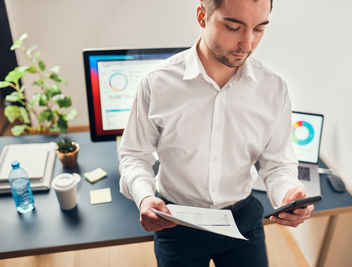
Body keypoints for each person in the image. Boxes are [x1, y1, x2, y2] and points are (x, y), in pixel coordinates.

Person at [118, 0, 314, 266]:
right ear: (202, 16)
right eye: (233, 27)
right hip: (177, 223)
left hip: (243, 219)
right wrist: (144, 197)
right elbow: (133, 155)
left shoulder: (274, 90)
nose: (247, 44)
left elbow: (278, 165)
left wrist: (288, 195)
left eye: (259, 29)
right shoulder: (157, 84)